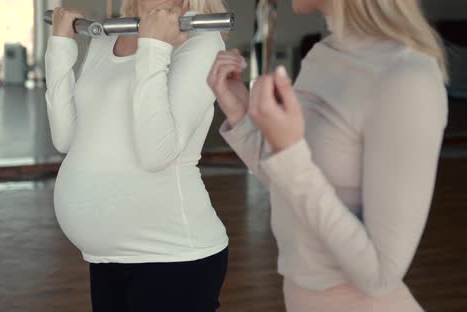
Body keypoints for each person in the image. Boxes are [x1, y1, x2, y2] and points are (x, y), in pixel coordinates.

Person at [208, 0, 448, 311]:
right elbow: (292, 184)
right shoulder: (324, 54)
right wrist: (241, 117)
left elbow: (379, 277)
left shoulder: (407, 77)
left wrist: (291, 153)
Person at [45, 0, 229, 311]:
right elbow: (66, 138)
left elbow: (156, 152)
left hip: (172, 255)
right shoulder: (108, 35)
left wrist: (154, 48)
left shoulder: (202, 40)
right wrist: (60, 47)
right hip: (105, 258)